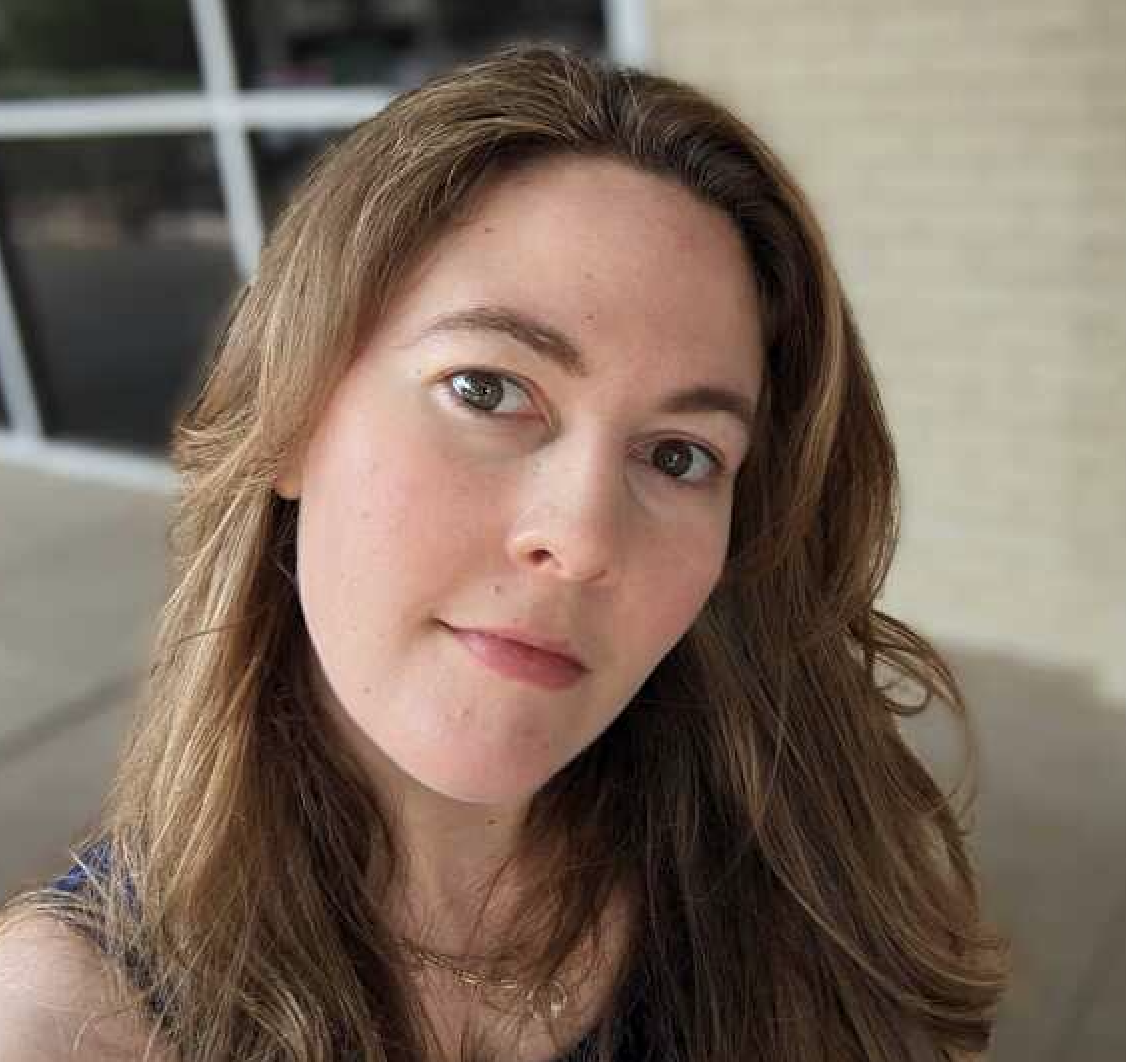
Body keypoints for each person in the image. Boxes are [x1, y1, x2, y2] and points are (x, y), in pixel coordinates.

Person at [0, 42, 1009, 1062]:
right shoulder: (71, 1022)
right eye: (486, 389)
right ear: (294, 413)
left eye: (678, 455)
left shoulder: (796, 907)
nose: (578, 541)